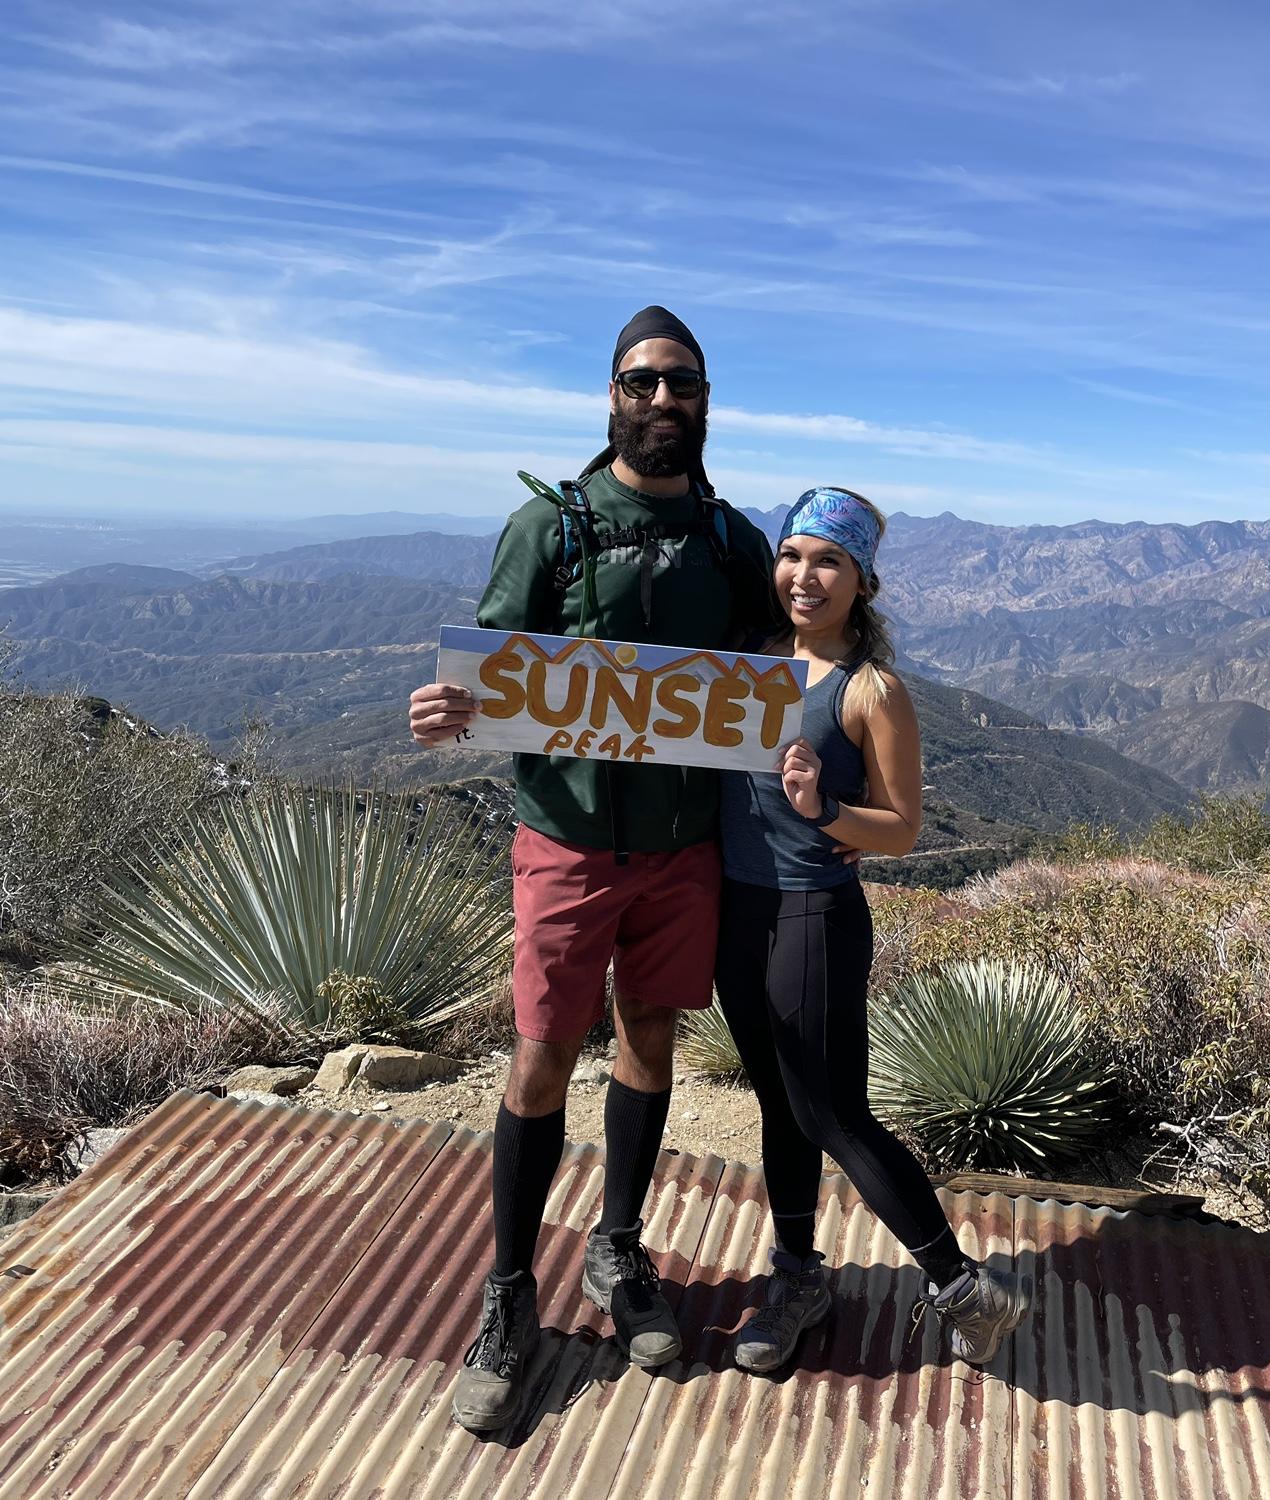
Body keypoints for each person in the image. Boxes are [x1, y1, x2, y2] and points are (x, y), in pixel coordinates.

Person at [409, 306, 774, 1433]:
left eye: (683, 383)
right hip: (567, 843)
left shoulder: (733, 542)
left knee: (649, 1038)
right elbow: (493, 672)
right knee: (540, 1057)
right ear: (611, 395)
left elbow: (773, 671)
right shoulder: (549, 527)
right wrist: (449, 710)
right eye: (643, 381)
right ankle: (509, 1295)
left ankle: (618, 1252)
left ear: (705, 401)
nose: (664, 400)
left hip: (683, 849)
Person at [715, 487, 1027, 1374]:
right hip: (737, 911)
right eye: (792, 555)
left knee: (832, 1113)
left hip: (812, 913)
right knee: (780, 1103)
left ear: (862, 582)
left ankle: (964, 1289)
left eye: (829, 562)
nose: (804, 576)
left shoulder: (871, 690)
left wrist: (824, 809)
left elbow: (901, 829)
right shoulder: (749, 660)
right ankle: (797, 1276)